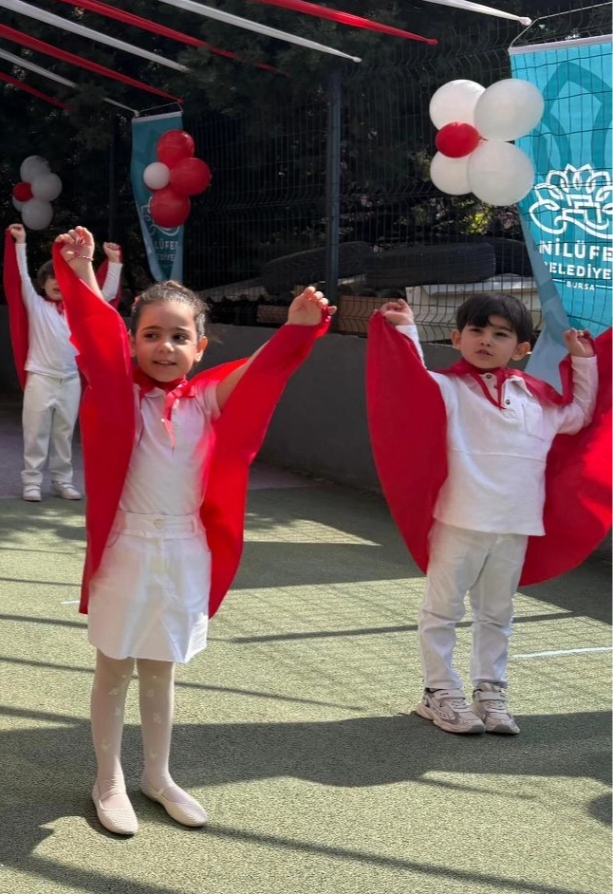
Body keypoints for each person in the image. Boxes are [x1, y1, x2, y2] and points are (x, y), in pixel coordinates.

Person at [55, 226, 330, 837]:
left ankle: (158, 775)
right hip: (126, 548)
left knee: (162, 667)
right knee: (114, 667)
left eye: (179, 336)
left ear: (200, 347)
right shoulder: (115, 392)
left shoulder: (208, 399)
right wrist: (80, 272)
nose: (164, 346)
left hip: (185, 550)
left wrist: (296, 328)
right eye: (151, 334)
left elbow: (261, 372)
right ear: (132, 341)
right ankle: (108, 780)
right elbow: (95, 334)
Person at [367, 296, 609, 737]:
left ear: (522, 348)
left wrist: (584, 360)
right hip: (458, 520)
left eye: (500, 334)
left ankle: (490, 691)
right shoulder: (446, 388)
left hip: (515, 524)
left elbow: (579, 416)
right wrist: (403, 328)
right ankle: (439, 692)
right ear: (456, 338)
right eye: (476, 331)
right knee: (442, 610)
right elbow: (409, 382)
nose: (486, 341)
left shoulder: (538, 398)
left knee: (497, 613)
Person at [4, 223, 122, 502]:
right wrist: (20, 243)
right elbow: (21, 278)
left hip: (69, 379)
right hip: (40, 377)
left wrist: (115, 263)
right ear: (42, 283)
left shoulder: (78, 311)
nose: (57, 282)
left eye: (63, 276)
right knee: (36, 432)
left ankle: (62, 481)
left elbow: (104, 297)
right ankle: (32, 481)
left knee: (64, 433)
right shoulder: (36, 305)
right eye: (51, 277)